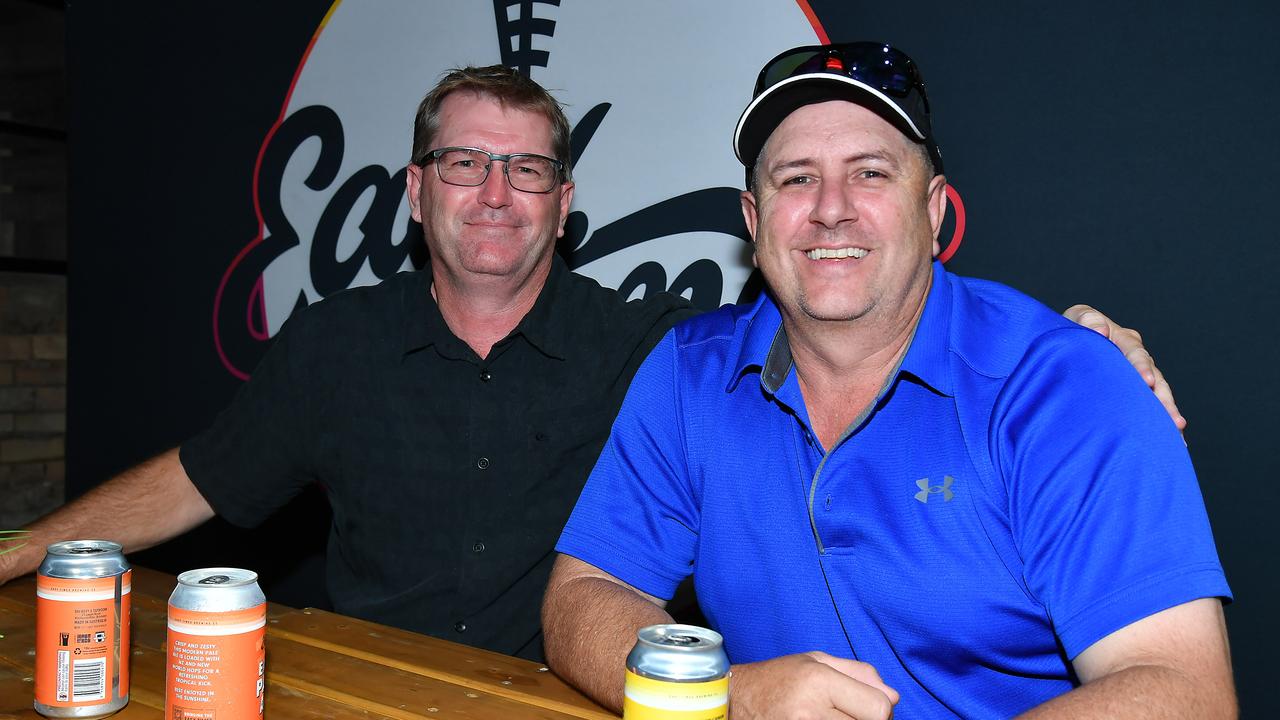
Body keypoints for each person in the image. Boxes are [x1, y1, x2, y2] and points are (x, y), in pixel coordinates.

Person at [1, 65, 1181, 664]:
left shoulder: (646, 353)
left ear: (565, 206)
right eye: (463, 165)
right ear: (413, 193)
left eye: (525, 171)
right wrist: (19, 546)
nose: (494, 194)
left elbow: (854, 306)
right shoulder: (338, 340)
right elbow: (197, 478)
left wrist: (1082, 353)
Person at [542, 42, 1233, 718]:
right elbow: (583, 593)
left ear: (933, 209)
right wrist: (731, 697)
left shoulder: (1064, 387)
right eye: (795, 177)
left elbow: (1183, 691)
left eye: (870, 173)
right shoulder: (691, 373)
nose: (831, 207)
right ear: (754, 222)